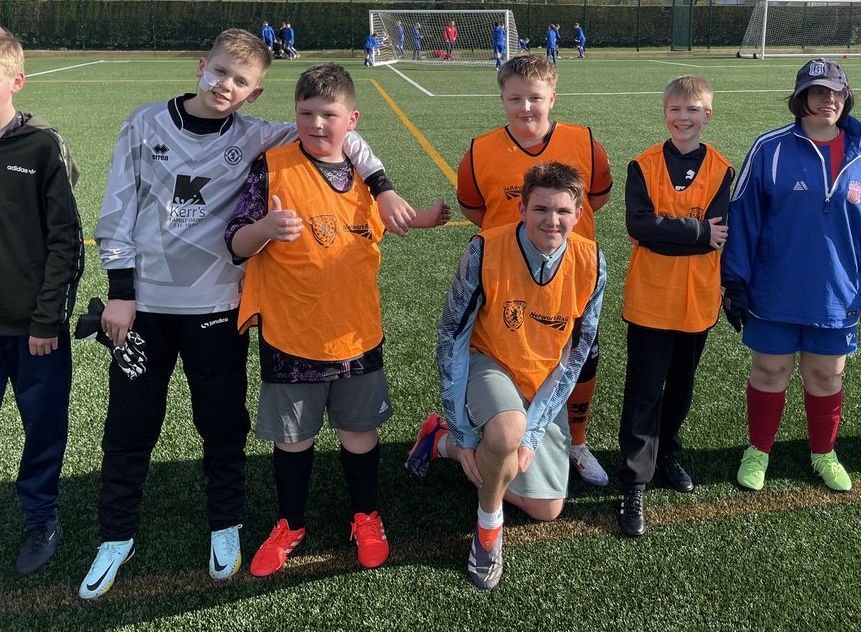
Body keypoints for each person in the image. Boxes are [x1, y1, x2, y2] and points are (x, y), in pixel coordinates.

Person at [83, 28, 416, 600]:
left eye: (240, 81)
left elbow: (343, 140)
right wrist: (119, 288)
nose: (225, 85)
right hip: (144, 307)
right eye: (219, 72)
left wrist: (382, 187)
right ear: (200, 67)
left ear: (255, 94)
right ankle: (115, 535)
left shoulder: (260, 135)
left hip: (217, 306)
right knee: (130, 425)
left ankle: (226, 523)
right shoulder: (143, 123)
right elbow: (117, 205)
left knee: (221, 423)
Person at [226, 63, 449, 577]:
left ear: (352, 120)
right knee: (293, 439)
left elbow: (394, 223)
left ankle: (366, 517)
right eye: (306, 113)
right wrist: (264, 227)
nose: (316, 124)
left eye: (329, 114)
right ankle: (290, 524)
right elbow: (234, 243)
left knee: (359, 434)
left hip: (356, 336)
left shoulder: (370, 183)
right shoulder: (272, 167)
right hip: (291, 338)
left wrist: (424, 218)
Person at [406, 162, 606, 590]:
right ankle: (487, 529)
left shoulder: (592, 261)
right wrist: (463, 427)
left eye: (562, 211)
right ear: (521, 209)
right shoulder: (485, 248)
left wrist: (532, 434)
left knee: (547, 509)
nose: (552, 221)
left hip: (542, 381)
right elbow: (451, 337)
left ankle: (437, 440)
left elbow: (577, 354)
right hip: (490, 362)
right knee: (505, 432)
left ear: (578, 213)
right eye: (540, 209)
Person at [0, 26, 84, 577]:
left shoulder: (43, 144)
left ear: (17, 81)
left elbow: (66, 242)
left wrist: (48, 316)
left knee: (43, 425)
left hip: (35, 327)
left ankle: (41, 518)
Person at [722, 58, 861, 493]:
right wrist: (734, 279)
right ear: (800, 99)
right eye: (817, 92)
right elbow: (744, 217)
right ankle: (758, 451)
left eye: (835, 92)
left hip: (836, 293)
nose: (826, 100)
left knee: (827, 375)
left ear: (846, 98)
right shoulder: (770, 148)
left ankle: (823, 453)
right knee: (770, 370)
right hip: (775, 289)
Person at [456, 55, 613, 485]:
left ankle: (576, 442)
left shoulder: (584, 142)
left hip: (569, 278)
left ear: (553, 98)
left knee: (581, 357)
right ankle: (489, 430)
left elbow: (593, 198)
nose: (526, 107)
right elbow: (476, 209)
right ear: (502, 98)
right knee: (501, 358)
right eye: (516, 98)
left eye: (536, 98)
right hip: (505, 280)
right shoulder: (480, 150)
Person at [617, 76, 732, 537]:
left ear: (708, 114)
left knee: (681, 385)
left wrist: (671, 231)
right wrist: (699, 231)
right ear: (664, 113)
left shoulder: (722, 168)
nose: (683, 117)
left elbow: (718, 233)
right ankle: (633, 479)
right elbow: (639, 225)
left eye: (693, 109)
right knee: (644, 388)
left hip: (698, 296)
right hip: (650, 295)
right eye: (675, 110)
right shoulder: (643, 165)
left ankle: (666, 453)